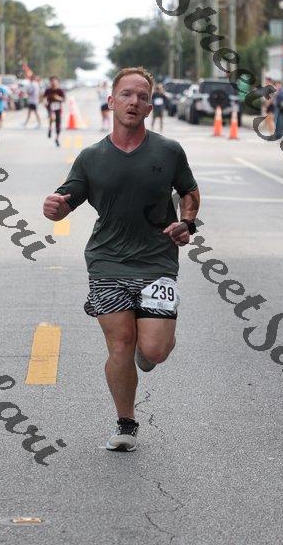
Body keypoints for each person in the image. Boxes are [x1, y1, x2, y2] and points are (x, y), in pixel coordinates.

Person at [43, 66, 200, 452]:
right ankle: (126, 423)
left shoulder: (168, 151)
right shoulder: (91, 157)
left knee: (154, 350)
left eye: (142, 97)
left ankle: (149, 350)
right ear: (111, 101)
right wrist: (55, 208)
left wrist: (187, 223)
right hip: (107, 262)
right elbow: (66, 202)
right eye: (126, 94)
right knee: (120, 344)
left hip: (157, 262)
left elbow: (189, 192)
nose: (134, 101)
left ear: (150, 107)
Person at [44, 76, 65, 147]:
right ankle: (50, 128)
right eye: (52, 81)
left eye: (54, 81)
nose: (53, 83)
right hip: (50, 107)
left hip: (58, 108)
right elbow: (44, 98)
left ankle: (57, 138)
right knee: (52, 117)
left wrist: (58, 98)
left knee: (58, 124)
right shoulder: (48, 90)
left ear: (57, 82)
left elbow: (64, 99)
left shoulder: (60, 90)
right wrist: (44, 102)